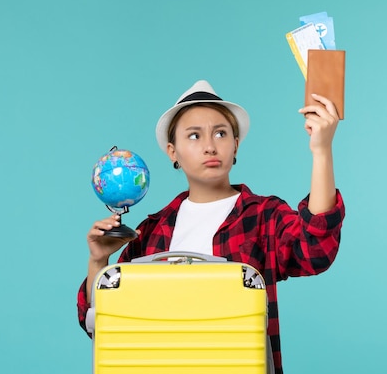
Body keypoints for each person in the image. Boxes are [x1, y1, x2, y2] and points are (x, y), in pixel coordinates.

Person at [77, 80, 345, 374]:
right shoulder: (152, 232)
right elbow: (104, 323)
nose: (209, 146)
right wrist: (98, 261)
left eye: (220, 133)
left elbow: (315, 249)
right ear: (172, 152)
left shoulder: (262, 216)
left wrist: (322, 150)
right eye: (194, 136)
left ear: (235, 145)